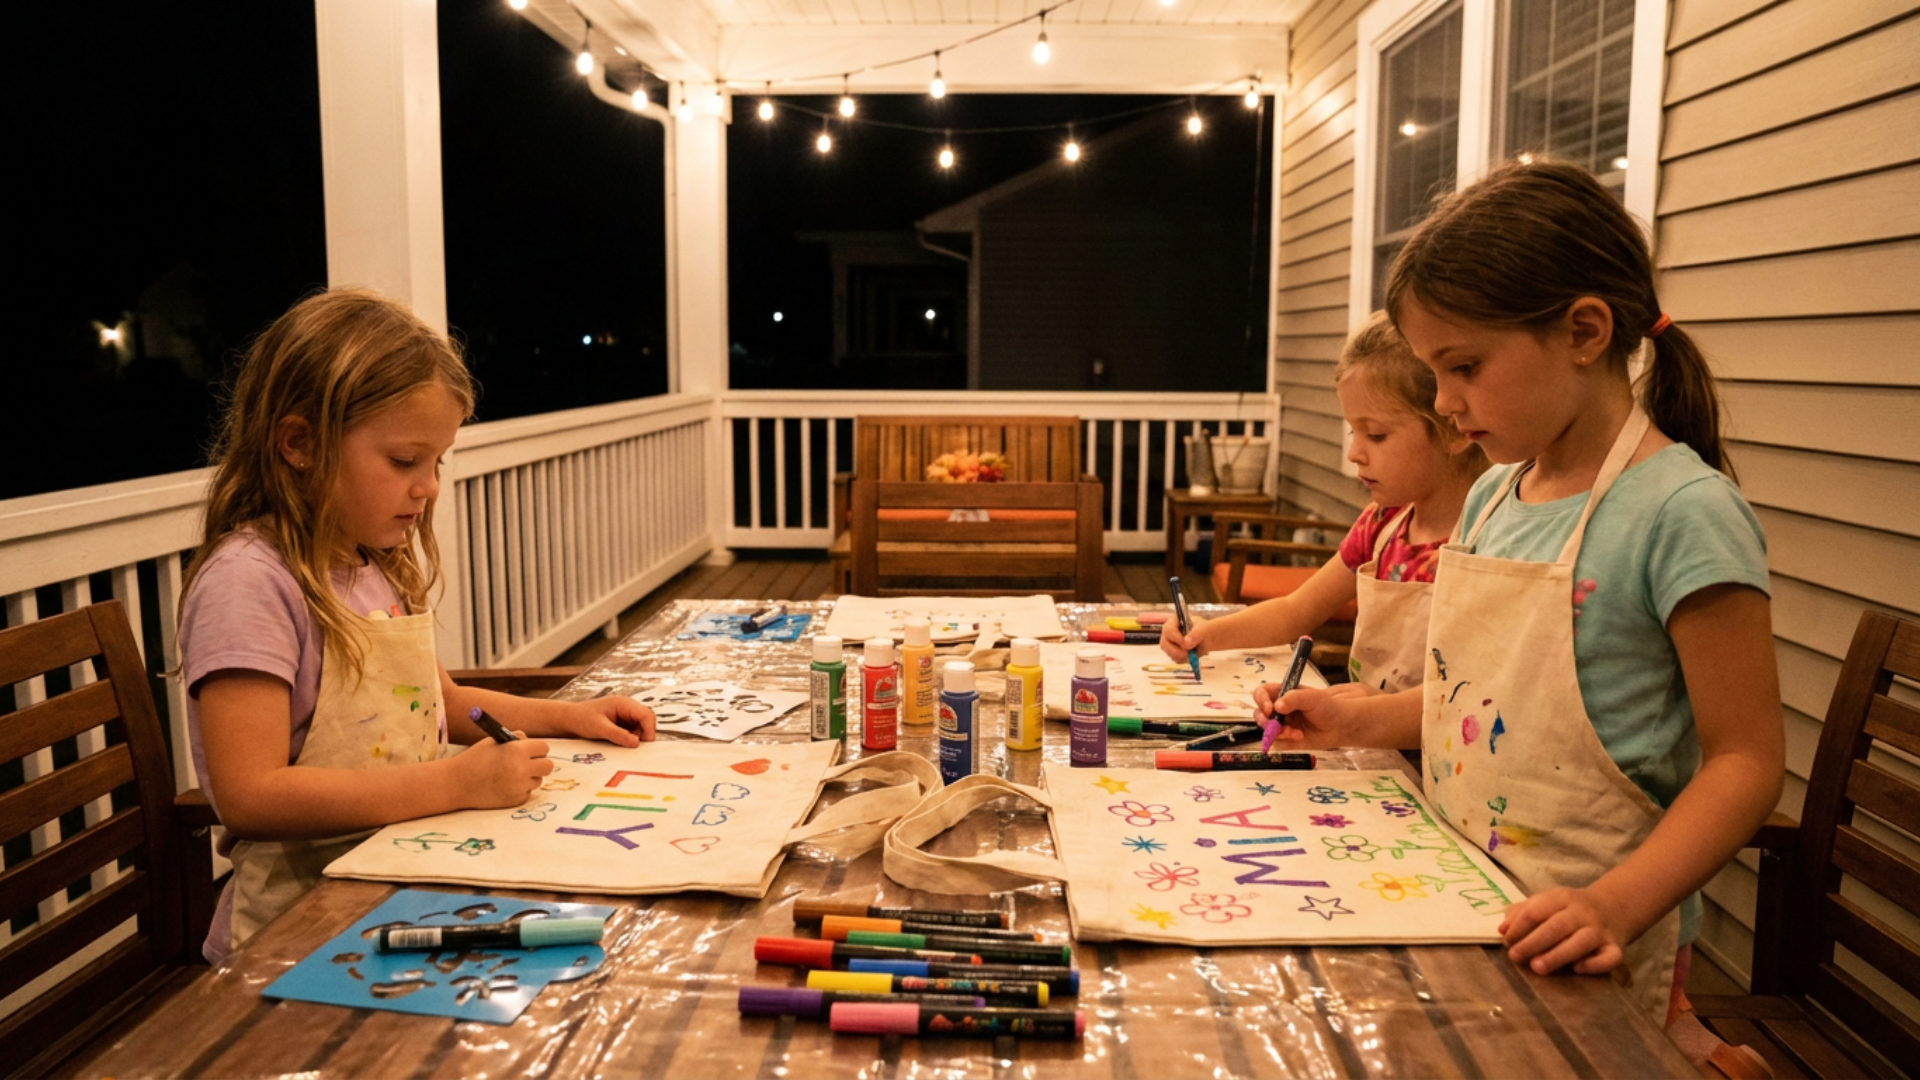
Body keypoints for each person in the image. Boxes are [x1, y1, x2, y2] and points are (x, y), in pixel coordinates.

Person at [1262, 160, 1781, 1075]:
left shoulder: (1681, 513)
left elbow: (1746, 761)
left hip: (1586, 931)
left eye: (1463, 368)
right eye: (1433, 373)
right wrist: (1352, 719)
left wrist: (1616, 905)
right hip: (1460, 890)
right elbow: (1478, 699)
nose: (1444, 403)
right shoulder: (1496, 494)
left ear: (1584, 331)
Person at [179, 288, 657, 963]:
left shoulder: (370, 564)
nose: (429, 486)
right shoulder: (249, 583)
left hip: (404, 881)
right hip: (297, 932)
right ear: (300, 444)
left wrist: (570, 717)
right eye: (405, 461)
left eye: (437, 461)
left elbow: (442, 703)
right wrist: (455, 784)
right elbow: (250, 796)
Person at [1161, 312, 1488, 694]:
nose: (1354, 453)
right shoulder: (1381, 525)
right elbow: (1294, 611)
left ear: (1452, 429)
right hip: (1360, 728)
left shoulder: (1488, 541)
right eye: (1353, 432)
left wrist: (1377, 709)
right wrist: (1208, 634)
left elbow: (1477, 690)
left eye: (1375, 435)